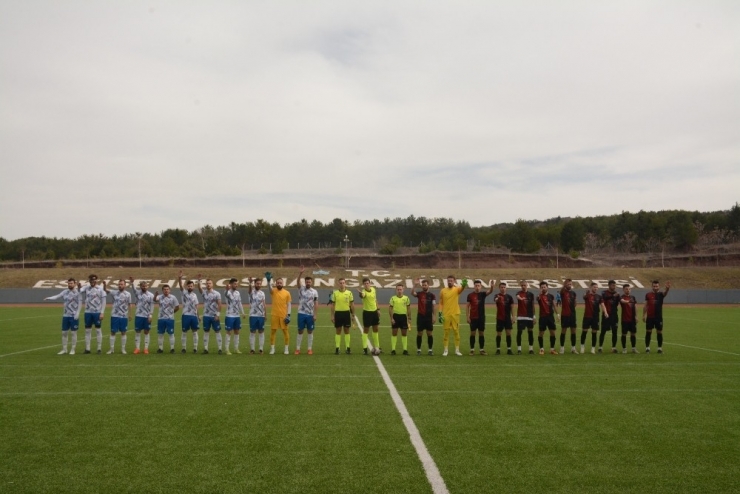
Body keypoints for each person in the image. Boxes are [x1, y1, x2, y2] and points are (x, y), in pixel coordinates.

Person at [44, 278, 82, 355]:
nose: (70, 285)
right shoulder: (65, 292)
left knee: (73, 333)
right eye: (69, 283)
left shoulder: (78, 293)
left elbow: (80, 304)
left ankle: (73, 349)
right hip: (66, 315)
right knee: (64, 332)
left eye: (71, 283)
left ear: (74, 284)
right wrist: (49, 298)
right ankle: (64, 349)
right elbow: (57, 296)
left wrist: (77, 313)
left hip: (73, 316)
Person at [439, 275, 467, 356]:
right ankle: (445, 350)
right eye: (448, 280)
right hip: (446, 315)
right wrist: (440, 313)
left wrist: (464, 285)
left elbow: (461, 289)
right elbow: (441, 303)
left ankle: (457, 350)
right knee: (446, 332)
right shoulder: (443, 291)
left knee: (456, 332)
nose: (449, 282)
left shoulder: (456, 289)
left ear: (454, 281)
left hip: (455, 314)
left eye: (451, 280)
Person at [103, 279, 133, 354]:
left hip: (123, 316)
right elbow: (105, 290)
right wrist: (104, 285)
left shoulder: (128, 294)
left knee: (123, 332)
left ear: (125, 285)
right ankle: (111, 349)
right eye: (119, 284)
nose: (120, 286)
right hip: (115, 315)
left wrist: (130, 314)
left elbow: (129, 304)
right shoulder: (114, 292)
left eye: (121, 284)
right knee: (113, 332)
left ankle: (123, 349)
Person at [80, 274, 107, 354]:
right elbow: (79, 290)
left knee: (98, 330)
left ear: (96, 280)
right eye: (91, 280)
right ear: (89, 281)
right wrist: (78, 286)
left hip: (97, 312)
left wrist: (102, 312)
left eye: (94, 280)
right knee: (87, 330)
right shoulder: (86, 288)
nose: (92, 281)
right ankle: (87, 349)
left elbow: (104, 302)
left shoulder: (100, 289)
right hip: (88, 312)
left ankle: (99, 348)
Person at [466, 279, 494, 355]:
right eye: (476, 285)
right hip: (473, 318)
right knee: (472, 333)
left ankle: (481, 349)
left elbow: (490, 291)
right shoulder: (470, 295)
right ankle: (472, 349)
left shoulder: (482, 294)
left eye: (478, 286)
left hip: (481, 318)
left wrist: (491, 286)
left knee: (481, 333)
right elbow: (467, 306)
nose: (477, 287)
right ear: (474, 286)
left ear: (481, 286)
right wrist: (467, 317)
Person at [266, 274, 292, 355]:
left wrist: (288, 315)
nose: (279, 284)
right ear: (276, 283)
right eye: (278, 283)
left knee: (285, 332)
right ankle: (272, 349)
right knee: (273, 332)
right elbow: (269, 289)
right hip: (274, 315)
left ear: (283, 283)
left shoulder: (287, 293)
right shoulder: (273, 291)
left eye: (280, 283)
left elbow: (289, 304)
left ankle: (286, 349)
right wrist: (268, 281)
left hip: (283, 316)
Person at [296, 267, 319, 355]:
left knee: (310, 331)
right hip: (301, 313)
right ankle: (298, 348)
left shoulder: (314, 292)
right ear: (305, 282)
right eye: (307, 282)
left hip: (310, 314)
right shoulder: (301, 289)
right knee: (300, 331)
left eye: (309, 282)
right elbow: (298, 282)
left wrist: (315, 314)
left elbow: (316, 303)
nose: (308, 283)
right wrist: (300, 273)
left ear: (311, 282)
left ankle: (309, 349)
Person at [643, 280, 671, 354]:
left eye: (657, 286)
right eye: (654, 286)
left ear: (659, 287)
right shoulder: (648, 295)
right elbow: (646, 305)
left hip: (658, 317)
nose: (655, 287)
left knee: (659, 332)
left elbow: (665, 293)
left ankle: (659, 348)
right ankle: (647, 348)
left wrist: (667, 289)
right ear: (652, 286)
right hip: (650, 317)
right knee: (648, 332)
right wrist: (643, 315)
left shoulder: (661, 294)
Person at [129, 277, 154, 354]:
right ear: (140, 287)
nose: (144, 287)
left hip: (146, 316)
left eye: (145, 286)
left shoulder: (151, 295)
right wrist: (132, 283)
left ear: (147, 286)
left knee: (146, 331)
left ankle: (146, 348)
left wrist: (150, 315)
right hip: (139, 315)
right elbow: (133, 290)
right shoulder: (138, 293)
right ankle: (137, 348)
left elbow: (152, 305)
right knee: (137, 331)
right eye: (143, 286)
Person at [197, 277, 222, 354]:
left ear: (212, 284)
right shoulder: (204, 293)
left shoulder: (217, 294)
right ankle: (206, 349)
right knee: (206, 331)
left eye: (209, 283)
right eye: (207, 283)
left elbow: (220, 304)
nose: (208, 285)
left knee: (217, 331)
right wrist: (199, 281)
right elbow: (199, 288)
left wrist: (218, 315)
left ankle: (220, 349)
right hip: (206, 316)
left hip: (214, 315)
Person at [329, 278, 354, 354]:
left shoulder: (349, 293)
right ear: (338, 284)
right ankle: (337, 348)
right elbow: (332, 305)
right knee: (338, 331)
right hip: (338, 313)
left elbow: (352, 305)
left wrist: (353, 314)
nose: (342, 284)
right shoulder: (335, 293)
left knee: (347, 330)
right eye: (340, 283)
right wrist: (332, 316)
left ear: (345, 283)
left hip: (346, 313)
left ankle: (348, 348)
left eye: (343, 283)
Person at [411, 279, 436, 356]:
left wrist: (434, 316)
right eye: (423, 285)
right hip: (420, 316)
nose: (424, 286)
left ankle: (430, 350)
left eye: (425, 285)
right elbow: (412, 293)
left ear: (428, 285)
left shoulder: (432, 295)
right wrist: (415, 285)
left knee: (429, 333)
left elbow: (433, 306)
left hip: (428, 317)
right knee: (419, 333)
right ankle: (419, 350)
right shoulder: (419, 294)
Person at [177, 271, 200, 354]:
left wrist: (198, 316)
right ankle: (183, 348)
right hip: (186, 315)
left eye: (191, 286)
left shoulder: (195, 295)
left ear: (193, 287)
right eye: (188, 286)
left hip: (193, 316)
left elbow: (196, 306)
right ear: (186, 287)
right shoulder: (184, 293)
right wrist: (180, 278)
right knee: (184, 332)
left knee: (195, 331)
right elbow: (180, 286)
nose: (190, 287)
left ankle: (195, 348)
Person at [357, 277, 381, 355]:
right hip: (367, 313)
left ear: (370, 283)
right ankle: (364, 349)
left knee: (376, 329)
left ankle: (377, 347)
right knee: (366, 330)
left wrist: (378, 309)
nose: (367, 285)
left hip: (374, 312)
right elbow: (362, 296)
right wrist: (360, 294)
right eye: (365, 284)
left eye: (368, 283)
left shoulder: (373, 289)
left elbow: (375, 299)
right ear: (363, 285)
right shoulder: (364, 292)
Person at [153, 284, 180, 353]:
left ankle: (172, 348)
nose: (166, 291)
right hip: (161, 318)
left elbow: (177, 306)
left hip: (170, 319)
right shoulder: (160, 297)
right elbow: (155, 300)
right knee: (160, 334)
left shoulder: (173, 297)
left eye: (167, 289)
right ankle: (160, 348)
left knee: (171, 333)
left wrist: (172, 312)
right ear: (162, 290)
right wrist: (155, 295)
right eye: (164, 289)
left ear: (170, 290)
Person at [580, 282, 605, 354]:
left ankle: (593, 348)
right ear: (591, 287)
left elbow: (602, 305)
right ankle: (582, 347)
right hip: (587, 316)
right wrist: (586, 293)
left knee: (594, 333)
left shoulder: (599, 296)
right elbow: (584, 296)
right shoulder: (587, 295)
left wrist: (605, 312)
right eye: (594, 287)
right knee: (584, 332)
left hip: (595, 317)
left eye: (597, 287)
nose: (596, 288)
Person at [224, 277, 246, 355]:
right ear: (231, 284)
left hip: (237, 316)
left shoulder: (238, 293)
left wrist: (242, 312)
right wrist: (227, 289)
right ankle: (227, 349)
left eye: (237, 284)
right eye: (234, 284)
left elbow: (239, 303)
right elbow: (226, 294)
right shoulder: (228, 292)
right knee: (229, 332)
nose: (236, 285)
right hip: (229, 315)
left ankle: (236, 348)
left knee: (237, 331)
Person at [389, 283, 411, 355]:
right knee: (394, 333)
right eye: (398, 289)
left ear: (403, 289)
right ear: (396, 290)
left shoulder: (406, 298)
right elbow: (390, 308)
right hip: (395, 316)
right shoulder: (393, 298)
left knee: (404, 333)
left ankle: (405, 350)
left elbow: (408, 308)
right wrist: (391, 318)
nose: (399, 291)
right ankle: (393, 349)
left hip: (403, 317)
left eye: (400, 289)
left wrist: (409, 318)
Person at [537, 281, 559, 355]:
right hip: (542, 317)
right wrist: (540, 293)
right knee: (541, 333)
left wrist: (558, 314)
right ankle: (541, 349)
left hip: (550, 317)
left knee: (552, 332)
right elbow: (537, 298)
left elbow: (554, 305)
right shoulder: (539, 296)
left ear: (547, 287)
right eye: (542, 287)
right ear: (540, 288)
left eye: (544, 287)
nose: (543, 288)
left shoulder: (551, 296)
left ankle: (552, 349)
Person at [493, 282, 515, 355]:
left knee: (508, 333)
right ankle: (498, 349)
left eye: (504, 287)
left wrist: (513, 316)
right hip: (500, 318)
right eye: (501, 287)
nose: (503, 288)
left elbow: (512, 307)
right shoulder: (497, 295)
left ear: (506, 288)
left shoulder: (509, 297)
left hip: (507, 318)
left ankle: (509, 349)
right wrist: (498, 298)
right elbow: (495, 300)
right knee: (499, 334)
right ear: (499, 288)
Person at [599, 280, 620, 353]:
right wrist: (613, 296)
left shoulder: (617, 294)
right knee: (603, 331)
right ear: (609, 285)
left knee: (615, 331)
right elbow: (604, 298)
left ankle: (613, 347)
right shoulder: (604, 292)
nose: (614, 287)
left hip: (614, 315)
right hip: (606, 315)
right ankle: (600, 347)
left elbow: (617, 303)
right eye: (612, 285)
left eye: (615, 285)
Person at [558, 279, 579, 354]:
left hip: (572, 315)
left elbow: (575, 303)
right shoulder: (563, 292)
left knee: (573, 331)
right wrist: (564, 285)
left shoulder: (573, 293)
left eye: (570, 284)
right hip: (565, 314)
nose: (569, 285)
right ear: (565, 285)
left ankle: (573, 348)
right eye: (568, 284)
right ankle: (562, 348)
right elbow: (561, 291)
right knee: (564, 331)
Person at [515, 280, 536, 355]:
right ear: (521, 286)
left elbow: (533, 305)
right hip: (521, 316)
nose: (523, 287)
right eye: (522, 285)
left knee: (530, 332)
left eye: (524, 285)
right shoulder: (518, 293)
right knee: (519, 332)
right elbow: (517, 296)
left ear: (527, 285)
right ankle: (519, 349)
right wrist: (520, 298)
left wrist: (534, 316)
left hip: (529, 316)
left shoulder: (531, 294)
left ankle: (531, 349)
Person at [247, 276, 267, 354]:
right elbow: (249, 290)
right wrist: (250, 283)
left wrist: (265, 314)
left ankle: (261, 349)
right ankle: (252, 349)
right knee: (252, 332)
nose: (258, 285)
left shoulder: (262, 293)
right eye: (257, 283)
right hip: (253, 315)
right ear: (255, 284)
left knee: (261, 331)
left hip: (261, 315)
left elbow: (264, 304)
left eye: (260, 284)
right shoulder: (251, 292)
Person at [620, 284, 639, 354]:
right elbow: (622, 301)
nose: (628, 290)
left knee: (633, 334)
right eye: (626, 289)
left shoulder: (633, 297)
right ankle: (624, 348)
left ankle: (633, 348)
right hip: (625, 319)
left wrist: (636, 316)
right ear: (623, 290)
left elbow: (636, 306)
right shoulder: (622, 297)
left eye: (629, 289)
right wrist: (628, 301)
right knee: (624, 334)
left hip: (632, 320)